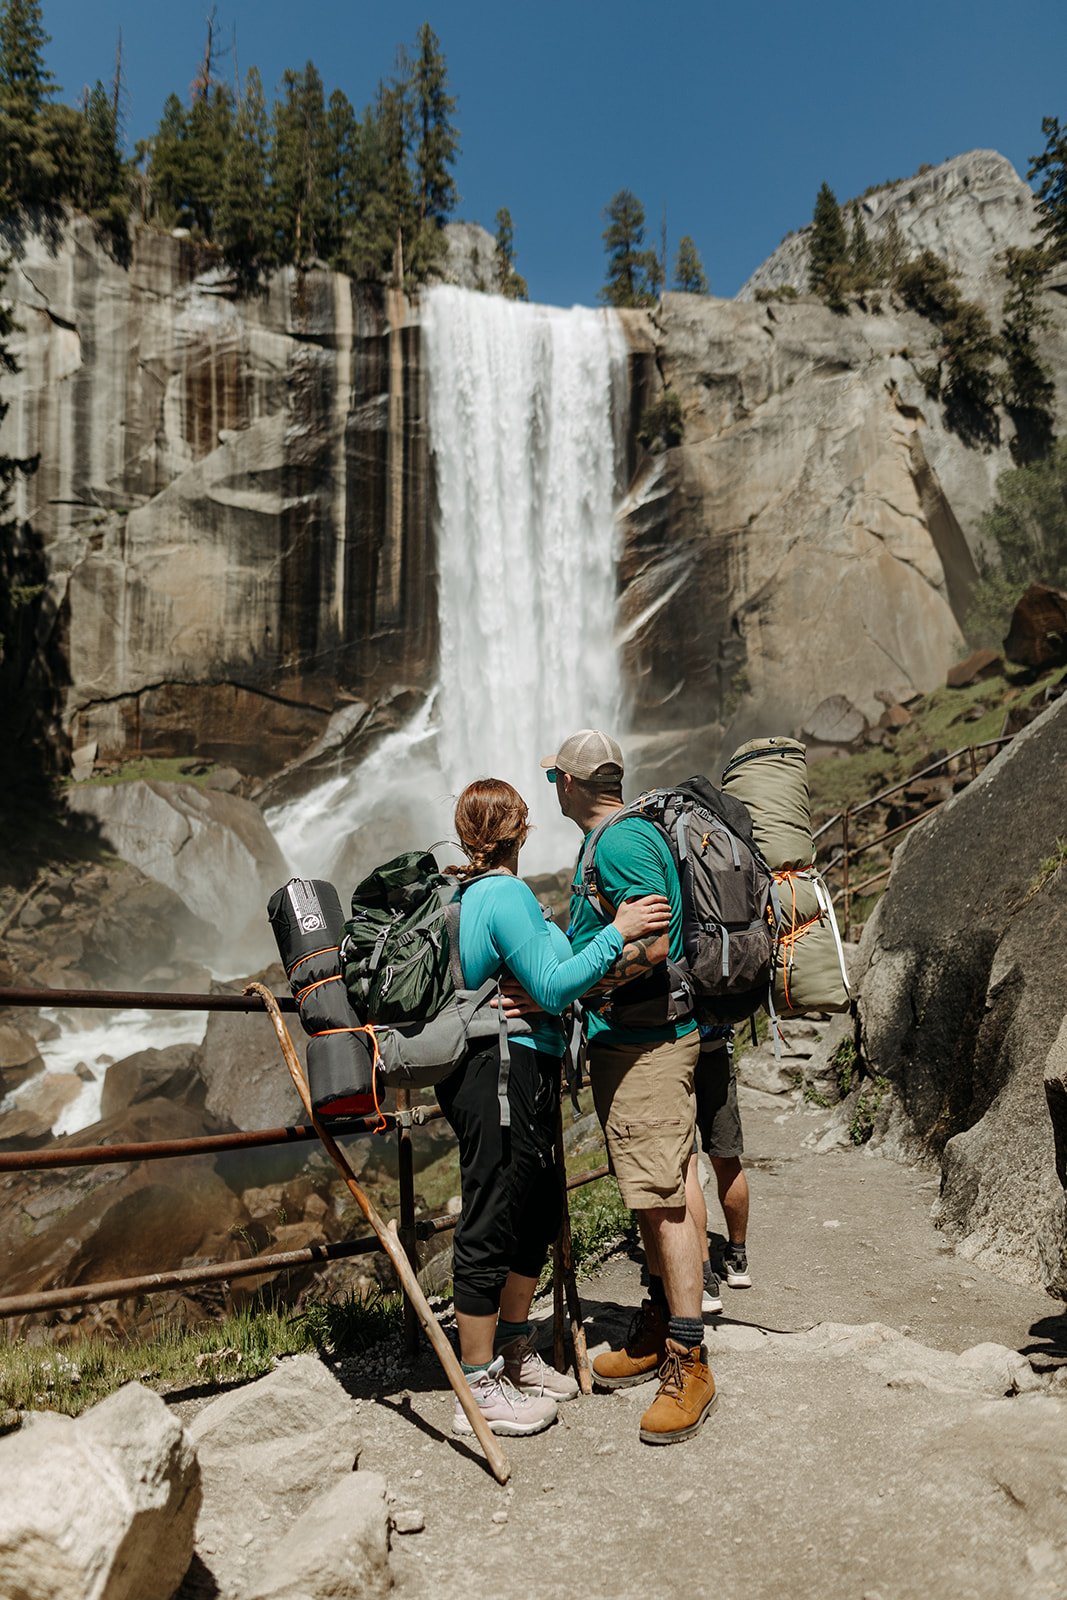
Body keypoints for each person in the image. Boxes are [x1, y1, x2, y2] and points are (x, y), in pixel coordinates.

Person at [440, 776, 671, 1439]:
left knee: (535, 1212)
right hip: (499, 1070)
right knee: (491, 1217)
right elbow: (550, 985)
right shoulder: (504, 894)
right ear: (520, 830)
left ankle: (513, 1352)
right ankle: (476, 1386)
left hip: (523, 1068)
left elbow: (549, 974)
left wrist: (580, 951)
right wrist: (618, 931)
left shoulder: (483, 895)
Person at [544, 730, 717, 1446]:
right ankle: (657, 1324)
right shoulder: (611, 839)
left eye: (552, 778)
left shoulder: (619, 842)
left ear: (569, 783)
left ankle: (689, 1361)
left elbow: (652, 942)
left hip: (648, 1047)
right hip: (633, 1044)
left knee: (664, 1200)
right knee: (653, 1189)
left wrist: (580, 981)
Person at [686, 1027, 752, 1315]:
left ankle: (704, 1279)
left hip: (673, 1053)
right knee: (727, 1159)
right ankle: (738, 1259)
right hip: (717, 1050)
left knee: (687, 1166)